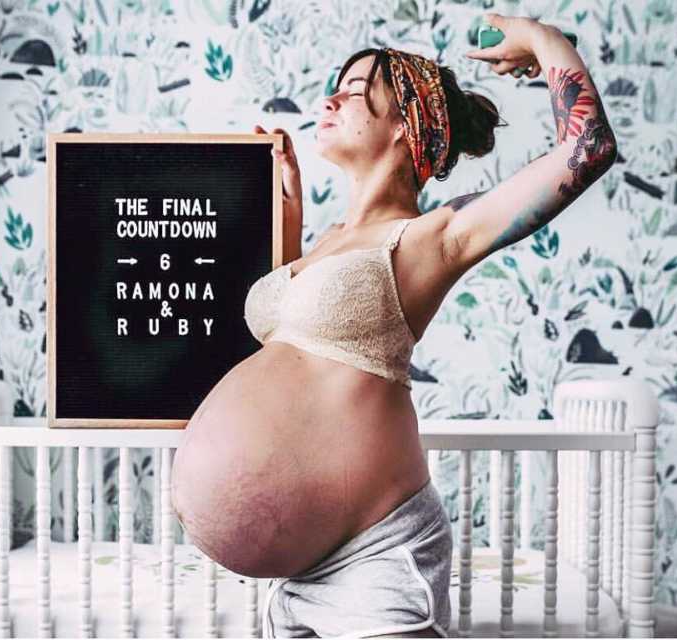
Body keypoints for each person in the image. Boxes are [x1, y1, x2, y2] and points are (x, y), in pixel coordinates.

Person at [170, 13, 617, 638]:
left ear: (407, 125)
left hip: (373, 562)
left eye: (355, 92)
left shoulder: (434, 236)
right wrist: (288, 225)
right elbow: (297, 352)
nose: (330, 97)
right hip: (296, 577)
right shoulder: (327, 242)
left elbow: (588, 149)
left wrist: (544, 44)